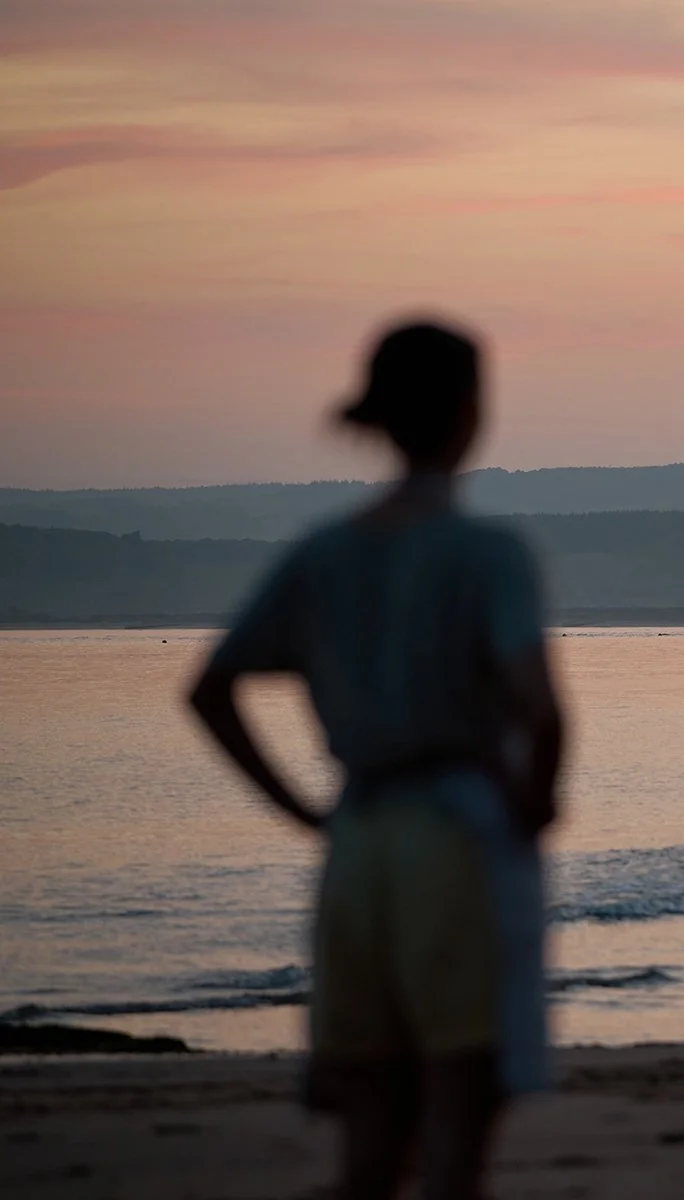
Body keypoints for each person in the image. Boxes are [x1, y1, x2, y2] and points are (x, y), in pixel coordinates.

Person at [188, 318, 564, 1200]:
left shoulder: (326, 553)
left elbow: (211, 688)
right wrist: (534, 803)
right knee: (455, 1143)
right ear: (473, 412)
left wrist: (303, 812)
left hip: (357, 840)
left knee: (367, 1151)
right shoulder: (487, 554)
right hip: (457, 836)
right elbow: (541, 712)